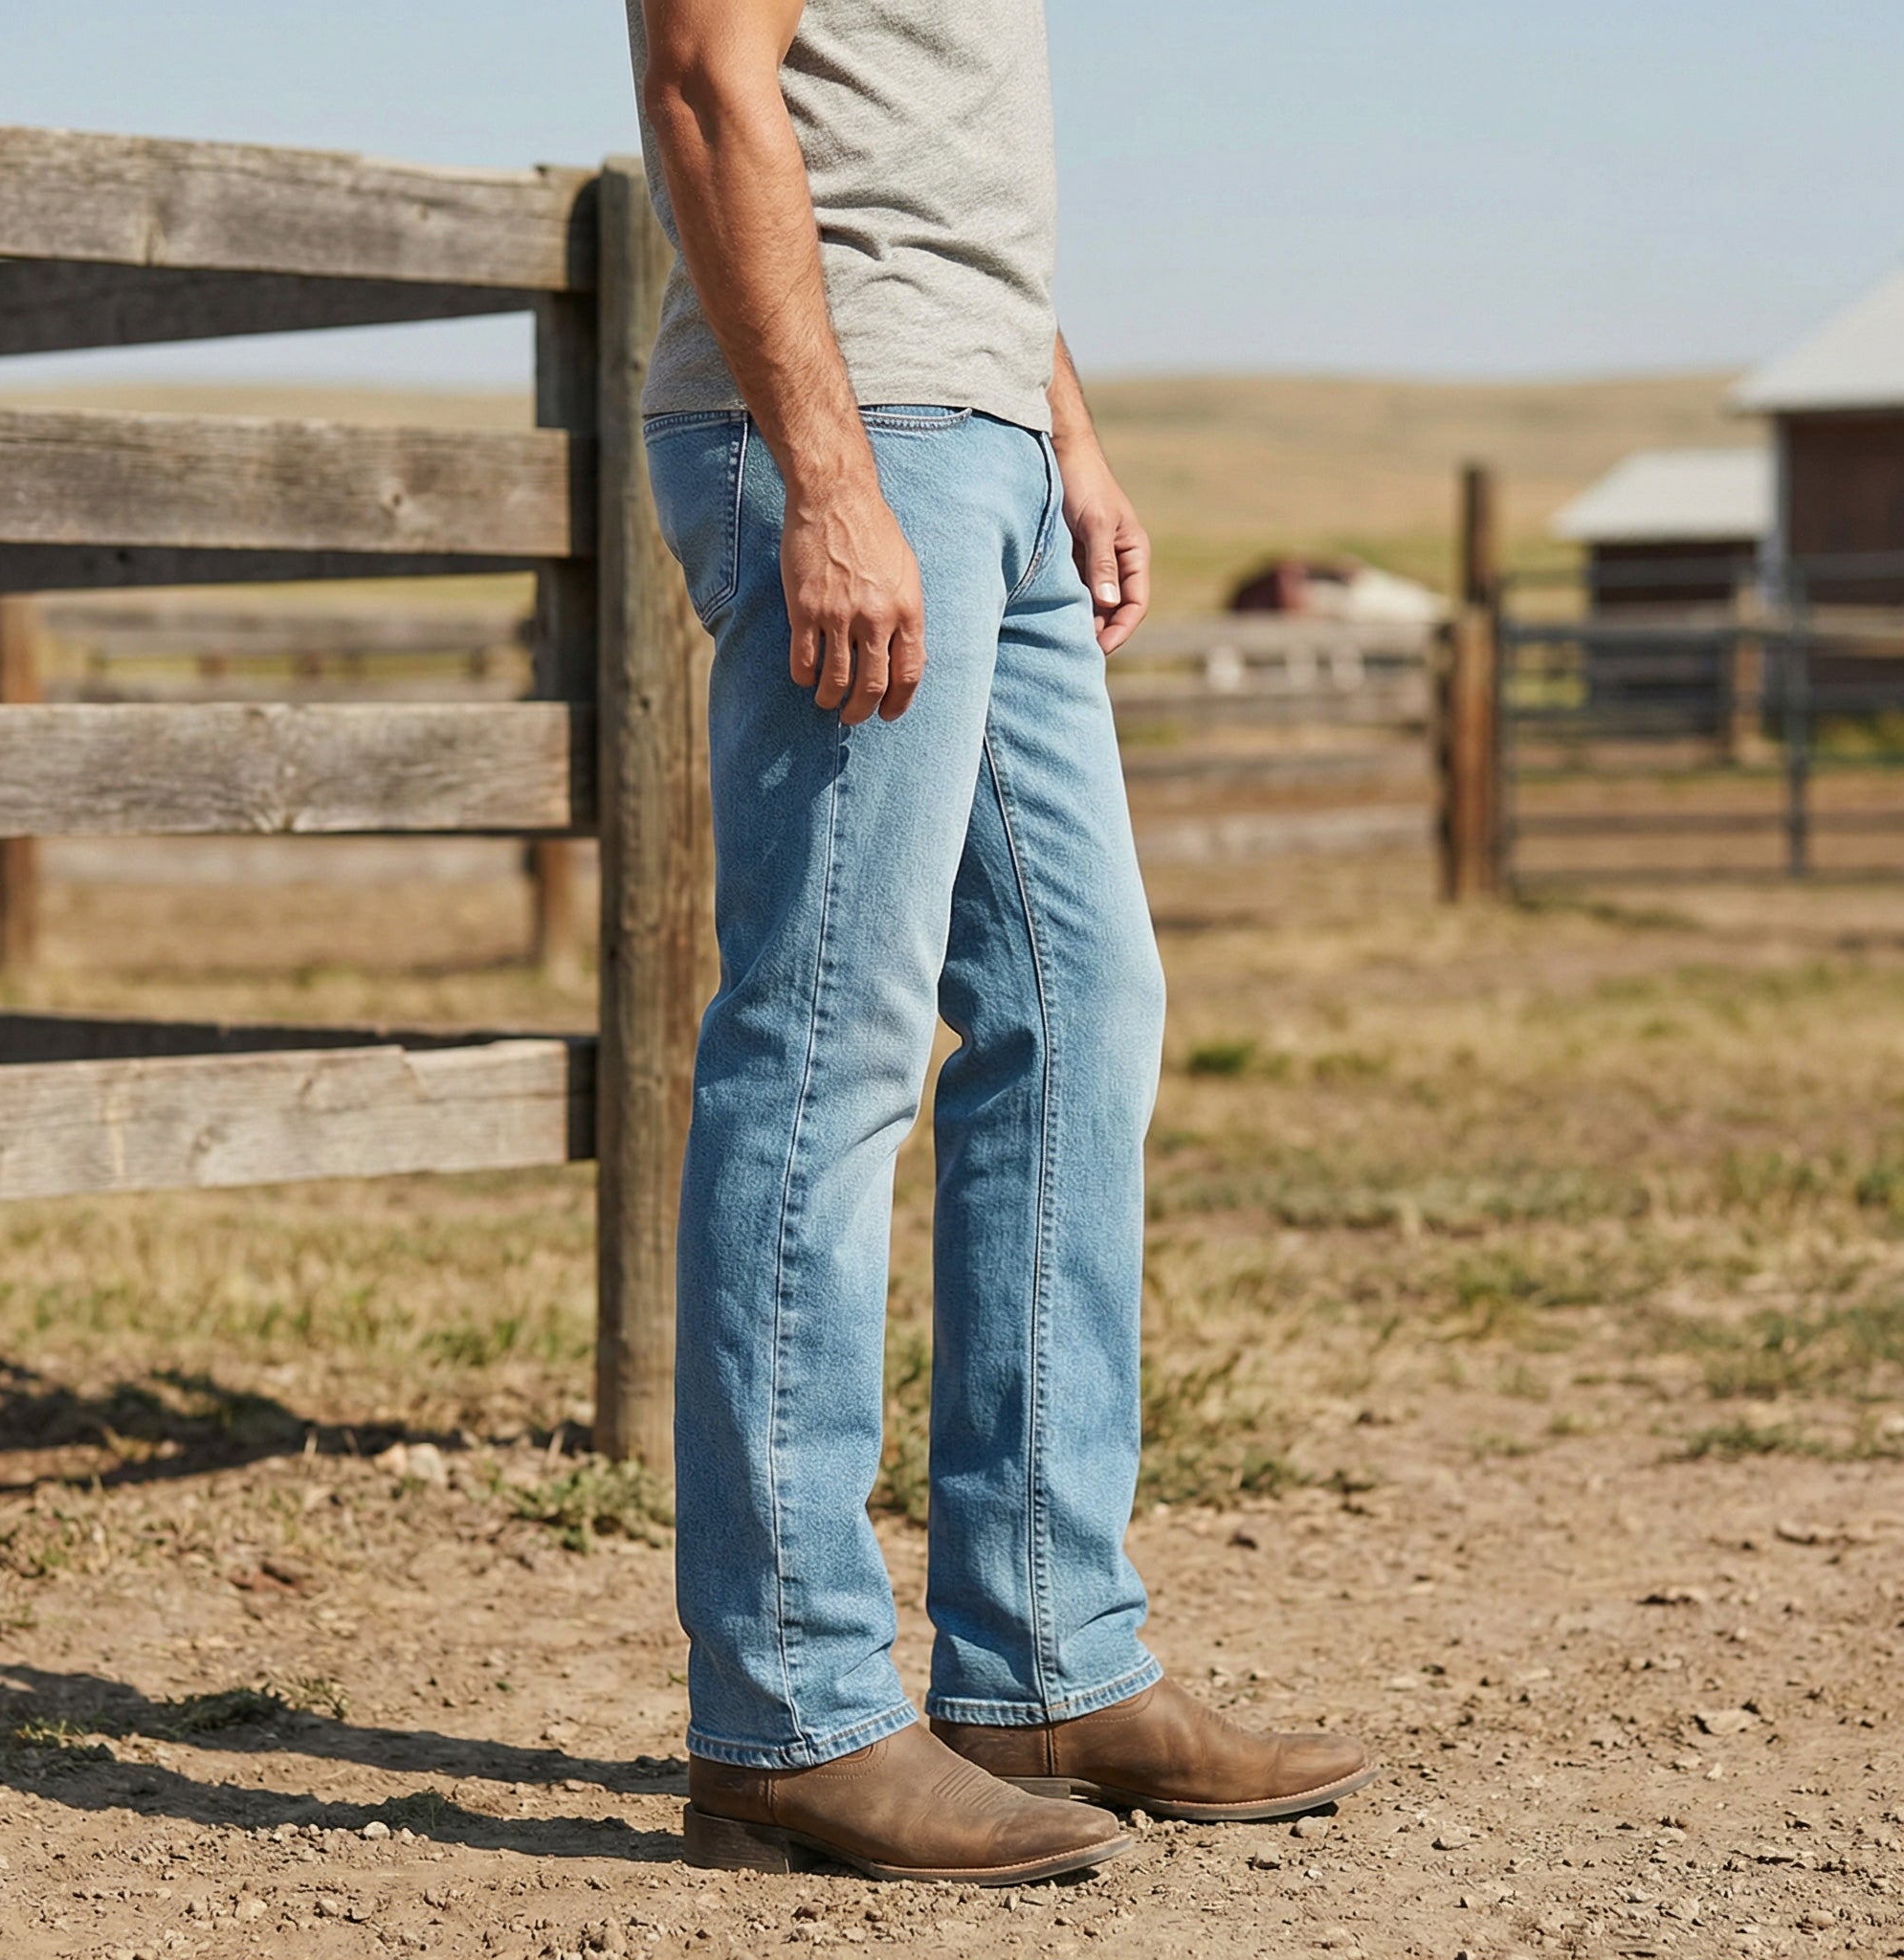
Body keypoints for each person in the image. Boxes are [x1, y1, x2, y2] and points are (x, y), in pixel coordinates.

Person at [627, 0, 1378, 1886]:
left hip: (980, 438)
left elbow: (927, 149)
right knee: (824, 1043)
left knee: (1077, 999)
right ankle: (788, 1710)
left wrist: (1067, 435)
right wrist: (826, 477)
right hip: (852, 430)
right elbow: (707, 81)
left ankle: (1043, 1648)